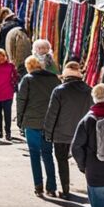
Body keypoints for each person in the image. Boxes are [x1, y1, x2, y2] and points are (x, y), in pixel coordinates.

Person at [44, 61, 94, 199]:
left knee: (62, 161)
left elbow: (52, 114)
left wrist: (48, 134)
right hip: (83, 134)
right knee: (86, 163)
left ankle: (65, 191)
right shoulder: (90, 91)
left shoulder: (59, 91)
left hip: (62, 134)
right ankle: (93, 190)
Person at [17, 55, 61, 197]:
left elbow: (21, 100)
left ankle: (38, 186)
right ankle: (52, 187)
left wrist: (20, 120)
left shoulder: (28, 79)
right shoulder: (54, 79)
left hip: (31, 122)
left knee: (34, 154)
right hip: (49, 123)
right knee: (47, 154)